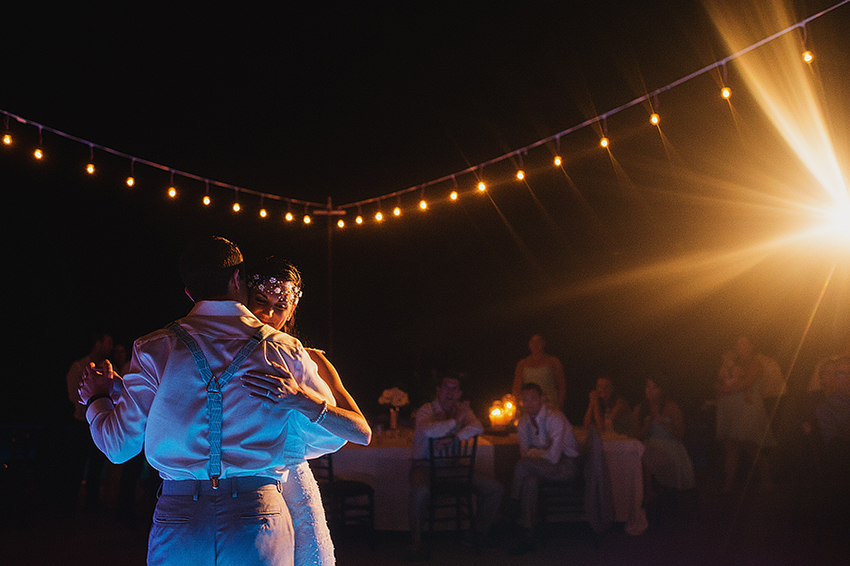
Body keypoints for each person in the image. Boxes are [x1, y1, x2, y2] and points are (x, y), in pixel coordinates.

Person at [78, 236, 348, 566]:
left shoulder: (154, 348)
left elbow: (118, 447)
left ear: (189, 292)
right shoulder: (283, 350)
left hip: (180, 516)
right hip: (258, 513)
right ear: (239, 278)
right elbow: (332, 434)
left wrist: (98, 398)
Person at [246, 256, 371, 566]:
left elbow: (362, 431)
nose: (268, 313)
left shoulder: (313, 359)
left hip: (295, 487)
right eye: (260, 301)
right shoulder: (221, 353)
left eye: (280, 306)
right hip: (243, 492)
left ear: (292, 310)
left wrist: (301, 398)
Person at [407, 374, 504, 561]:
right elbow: (428, 430)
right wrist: (456, 422)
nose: (450, 392)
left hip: (454, 468)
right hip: (425, 466)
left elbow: (478, 427)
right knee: (420, 491)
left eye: (454, 388)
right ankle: (416, 541)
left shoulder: (463, 411)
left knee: (495, 489)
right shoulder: (427, 409)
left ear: (459, 393)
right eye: (446, 387)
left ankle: (474, 534)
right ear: (438, 390)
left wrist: (453, 437)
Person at [507, 382, 580, 556]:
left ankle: (512, 507)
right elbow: (525, 452)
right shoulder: (523, 423)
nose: (529, 403)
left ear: (541, 399)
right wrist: (541, 450)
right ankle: (528, 534)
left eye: (533, 399)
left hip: (566, 466)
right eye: (525, 400)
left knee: (522, 465)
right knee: (530, 481)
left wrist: (534, 452)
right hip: (542, 467)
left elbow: (554, 458)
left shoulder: (554, 418)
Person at [715, 336, 775, 494]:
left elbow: (746, 382)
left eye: (743, 343)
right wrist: (720, 386)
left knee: (750, 444)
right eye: (737, 343)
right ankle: (728, 486)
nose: (739, 346)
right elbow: (719, 380)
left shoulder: (756, 363)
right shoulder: (731, 363)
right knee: (731, 446)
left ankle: (766, 480)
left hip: (748, 406)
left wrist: (727, 389)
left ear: (751, 346)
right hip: (731, 406)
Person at [63, 330, 113, 512]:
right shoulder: (78, 367)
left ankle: (92, 504)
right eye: (108, 342)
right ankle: (68, 504)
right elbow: (73, 397)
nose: (111, 346)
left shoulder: (109, 370)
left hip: (99, 422)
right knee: (75, 465)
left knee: (96, 466)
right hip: (82, 425)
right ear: (98, 343)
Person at [633, 377, 695, 503]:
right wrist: (646, 427)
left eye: (654, 387)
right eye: (648, 387)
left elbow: (680, 434)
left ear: (661, 390)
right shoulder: (640, 408)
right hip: (650, 444)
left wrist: (663, 422)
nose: (650, 390)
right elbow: (638, 436)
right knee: (640, 455)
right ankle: (643, 494)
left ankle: (650, 492)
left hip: (670, 445)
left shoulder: (671, 407)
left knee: (647, 457)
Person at [512, 334, 566, 410]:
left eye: (538, 342)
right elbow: (516, 387)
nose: (535, 345)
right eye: (532, 342)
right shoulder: (522, 364)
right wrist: (516, 405)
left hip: (550, 405)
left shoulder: (553, 361)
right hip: (529, 405)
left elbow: (562, 386)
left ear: (543, 344)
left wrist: (559, 405)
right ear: (529, 345)